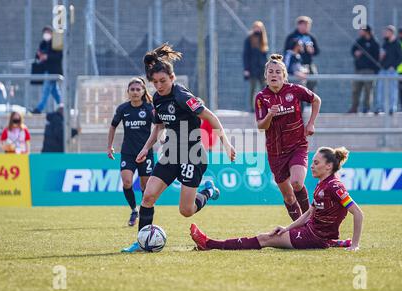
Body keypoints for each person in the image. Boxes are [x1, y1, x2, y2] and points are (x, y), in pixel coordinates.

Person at [121, 43, 236, 252]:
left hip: (193, 154)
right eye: (155, 82)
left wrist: (226, 143)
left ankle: (208, 191)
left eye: (163, 81)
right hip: (171, 153)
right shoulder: (156, 98)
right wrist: (146, 148)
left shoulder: (182, 97)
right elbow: (158, 127)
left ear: (172, 78)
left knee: (186, 210)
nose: (159, 85)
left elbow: (210, 117)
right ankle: (142, 241)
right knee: (147, 196)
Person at [190, 146, 363, 252]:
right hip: (313, 233)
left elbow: (358, 213)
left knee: (265, 239)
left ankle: (210, 244)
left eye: (316, 163)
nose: (311, 165)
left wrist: (355, 244)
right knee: (273, 234)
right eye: (312, 161)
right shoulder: (322, 184)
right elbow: (309, 213)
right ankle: (331, 242)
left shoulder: (335, 186)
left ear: (329, 166)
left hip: (313, 237)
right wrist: (286, 228)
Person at [255, 54, 321, 222]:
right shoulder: (261, 98)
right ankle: (299, 227)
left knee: (297, 183)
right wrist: (270, 114)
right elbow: (261, 126)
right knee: (289, 197)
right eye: (270, 72)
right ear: (265, 76)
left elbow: (316, 100)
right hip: (275, 152)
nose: (274, 75)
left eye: (278, 72)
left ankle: (312, 222)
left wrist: (311, 124)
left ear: (284, 75)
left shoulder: (295, 90)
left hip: (297, 146)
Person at [107, 77, 155, 227]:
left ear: (143, 91)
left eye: (138, 89)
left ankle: (144, 211)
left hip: (145, 153)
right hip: (128, 152)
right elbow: (113, 126)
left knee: (145, 187)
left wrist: (163, 138)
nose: (135, 92)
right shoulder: (123, 109)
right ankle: (134, 210)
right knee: (127, 181)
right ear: (128, 92)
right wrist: (109, 146)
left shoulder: (149, 108)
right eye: (132, 89)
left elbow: (160, 126)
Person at [348, 25, 380, 113]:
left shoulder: (374, 42)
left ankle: (367, 108)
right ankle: (354, 107)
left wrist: (375, 70)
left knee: (368, 90)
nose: (359, 32)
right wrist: (356, 53)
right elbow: (353, 50)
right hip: (358, 70)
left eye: (361, 30)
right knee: (355, 90)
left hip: (369, 71)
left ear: (367, 31)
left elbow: (377, 57)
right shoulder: (359, 41)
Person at [31, 26, 63, 114]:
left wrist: (47, 56)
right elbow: (37, 56)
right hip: (45, 70)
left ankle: (39, 108)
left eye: (48, 32)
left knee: (46, 90)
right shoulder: (43, 43)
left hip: (53, 71)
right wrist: (39, 56)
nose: (46, 34)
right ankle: (62, 105)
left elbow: (59, 56)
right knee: (54, 91)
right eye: (45, 32)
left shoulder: (56, 43)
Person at [283, 16, 320, 92]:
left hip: (308, 64)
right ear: (299, 25)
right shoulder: (292, 36)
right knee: (298, 87)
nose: (306, 27)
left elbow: (317, 51)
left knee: (313, 82)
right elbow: (287, 51)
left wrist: (312, 51)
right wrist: (297, 48)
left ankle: (310, 100)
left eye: (308, 25)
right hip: (296, 65)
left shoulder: (311, 37)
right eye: (304, 25)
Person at [375, 25, 402, 115]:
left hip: (392, 71)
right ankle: (379, 107)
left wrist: (394, 66)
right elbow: (381, 56)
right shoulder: (385, 43)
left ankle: (392, 108)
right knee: (380, 89)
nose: (384, 34)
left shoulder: (397, 44)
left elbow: (400, 58)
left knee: (392, 90)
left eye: (386, 32)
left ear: (391, 32)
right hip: (383, 70)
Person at [243, 21, 269, 112]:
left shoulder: (263, 39)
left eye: (259, 28)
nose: (257, 29)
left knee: (264, 88)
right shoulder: (249, 39)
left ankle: (264, 106)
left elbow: (264, 55)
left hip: (262, 68)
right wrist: (246, 69)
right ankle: (251, 107)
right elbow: (245, 55)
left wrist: (267, 67)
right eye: (255, 27)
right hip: (252, 68)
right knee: (252, 88)